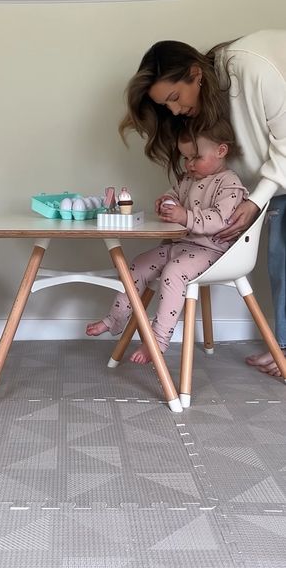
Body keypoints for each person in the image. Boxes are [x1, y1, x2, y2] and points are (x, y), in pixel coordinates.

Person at [103, 31, 286, 373]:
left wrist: (257, 200)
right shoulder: (214, 107)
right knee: (280, 254)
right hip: (273, 177)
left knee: (283, 249)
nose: (175, 110)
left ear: (195, 74)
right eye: (165, 105)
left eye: (175, 97)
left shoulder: (250, 68)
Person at [87, 126, 248, 362]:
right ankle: (115, 319)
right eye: (186, 158)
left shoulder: (229, 184)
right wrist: (167, 202)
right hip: (181, 245)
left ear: (221, 151)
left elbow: (221, 220)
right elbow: (175, 193)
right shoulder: (189, 179)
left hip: (212, 252)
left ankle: (157, 341)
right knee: (139, 264)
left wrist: (185, 217)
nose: (189, 164)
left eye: (196, 157)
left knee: (174, 273)